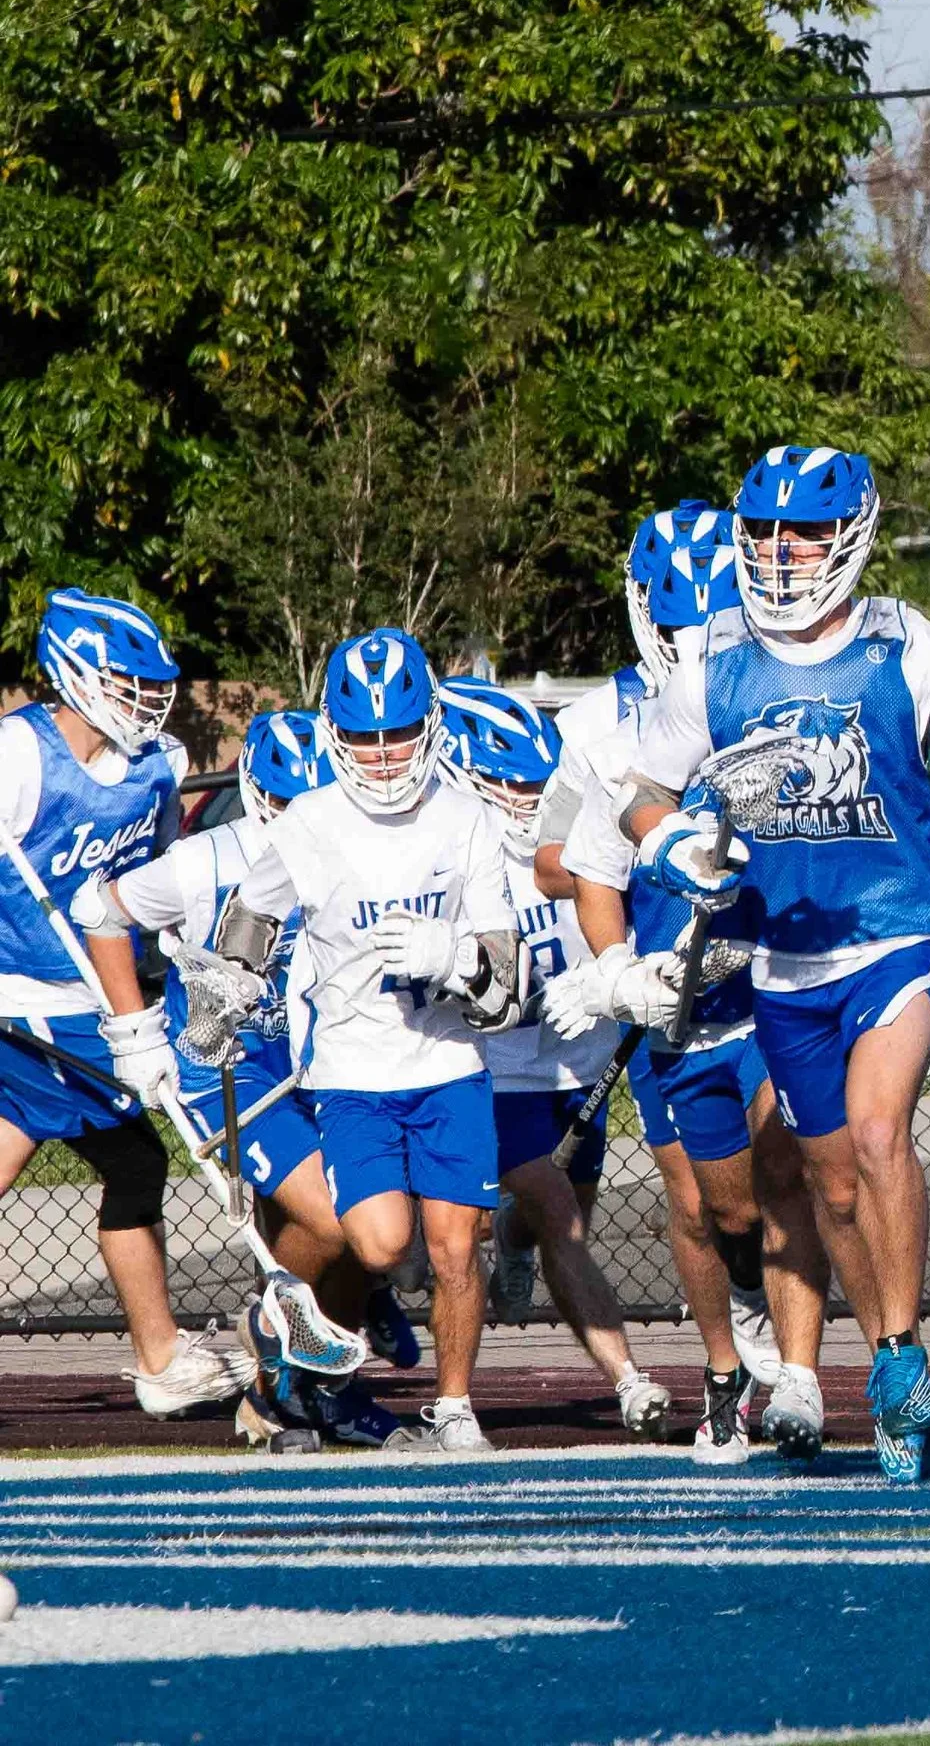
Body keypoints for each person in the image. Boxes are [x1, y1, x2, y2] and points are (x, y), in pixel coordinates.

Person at [618, 445, 930, 1485]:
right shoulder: (712, 658)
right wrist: (672, 842)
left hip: (894, 928)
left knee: (882, 1129)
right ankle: (889, 1354)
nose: (782, 551)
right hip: (783, 955)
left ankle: (901, 1354)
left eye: (802, 530)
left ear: (849, 533)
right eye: (763, 531)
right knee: (832, 1181)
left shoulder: (901, 638)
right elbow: (641, 796)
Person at [209, 628, 522, 1453]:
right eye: (362, 738)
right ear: (333, 735)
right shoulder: (310, 823)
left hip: (450, 1064)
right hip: (352, 1070)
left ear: (429, 729)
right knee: (380, 1242)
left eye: (397, 734)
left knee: (458, 1249)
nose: (382, 757)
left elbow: (506, 980)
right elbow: (250, 914)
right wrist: (232, 983)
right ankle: (277, 1316)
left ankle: (454, 1407)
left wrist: (452, 957)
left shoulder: (466, 820)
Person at [547, 511, 805, 1466]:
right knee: (704, 1205)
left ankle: (801, 1366)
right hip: (670, 993)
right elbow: (570, 864)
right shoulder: (592, 725)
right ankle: (726, 1359)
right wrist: (618, 970)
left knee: (787, 1175)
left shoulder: (777, 685)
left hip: (775, 973)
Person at [75, 710, 369, 1444]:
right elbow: (98, 912)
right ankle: (273, 1341)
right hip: (227, 1069)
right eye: (280, 805)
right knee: (332, 1223)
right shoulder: (206, 859)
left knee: (374, 1230)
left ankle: (293, 1397)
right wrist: (136, 1027)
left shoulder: (358, 842)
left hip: (320, 1061)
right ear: (253, 793)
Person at [0, 590, 250, 1417]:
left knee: (79, 1155)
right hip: (29, 994)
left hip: (95, 989)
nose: (146, 697)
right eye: (126, 680)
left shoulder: (155, 767)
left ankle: (159, 1352)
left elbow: (147, 886)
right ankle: (159, 1355)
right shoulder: (20, 756)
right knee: (138, 1159)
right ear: (75, 673)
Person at [438, 678, 671, 1442]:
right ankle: (628, 1380)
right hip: (500, 1070)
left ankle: (510, 1234)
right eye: (505, 783)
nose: (523, 799)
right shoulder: (449, 853)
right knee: (562, 1214)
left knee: (564, 1217)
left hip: (581, 1061)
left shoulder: (572, 837)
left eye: (535, 783)